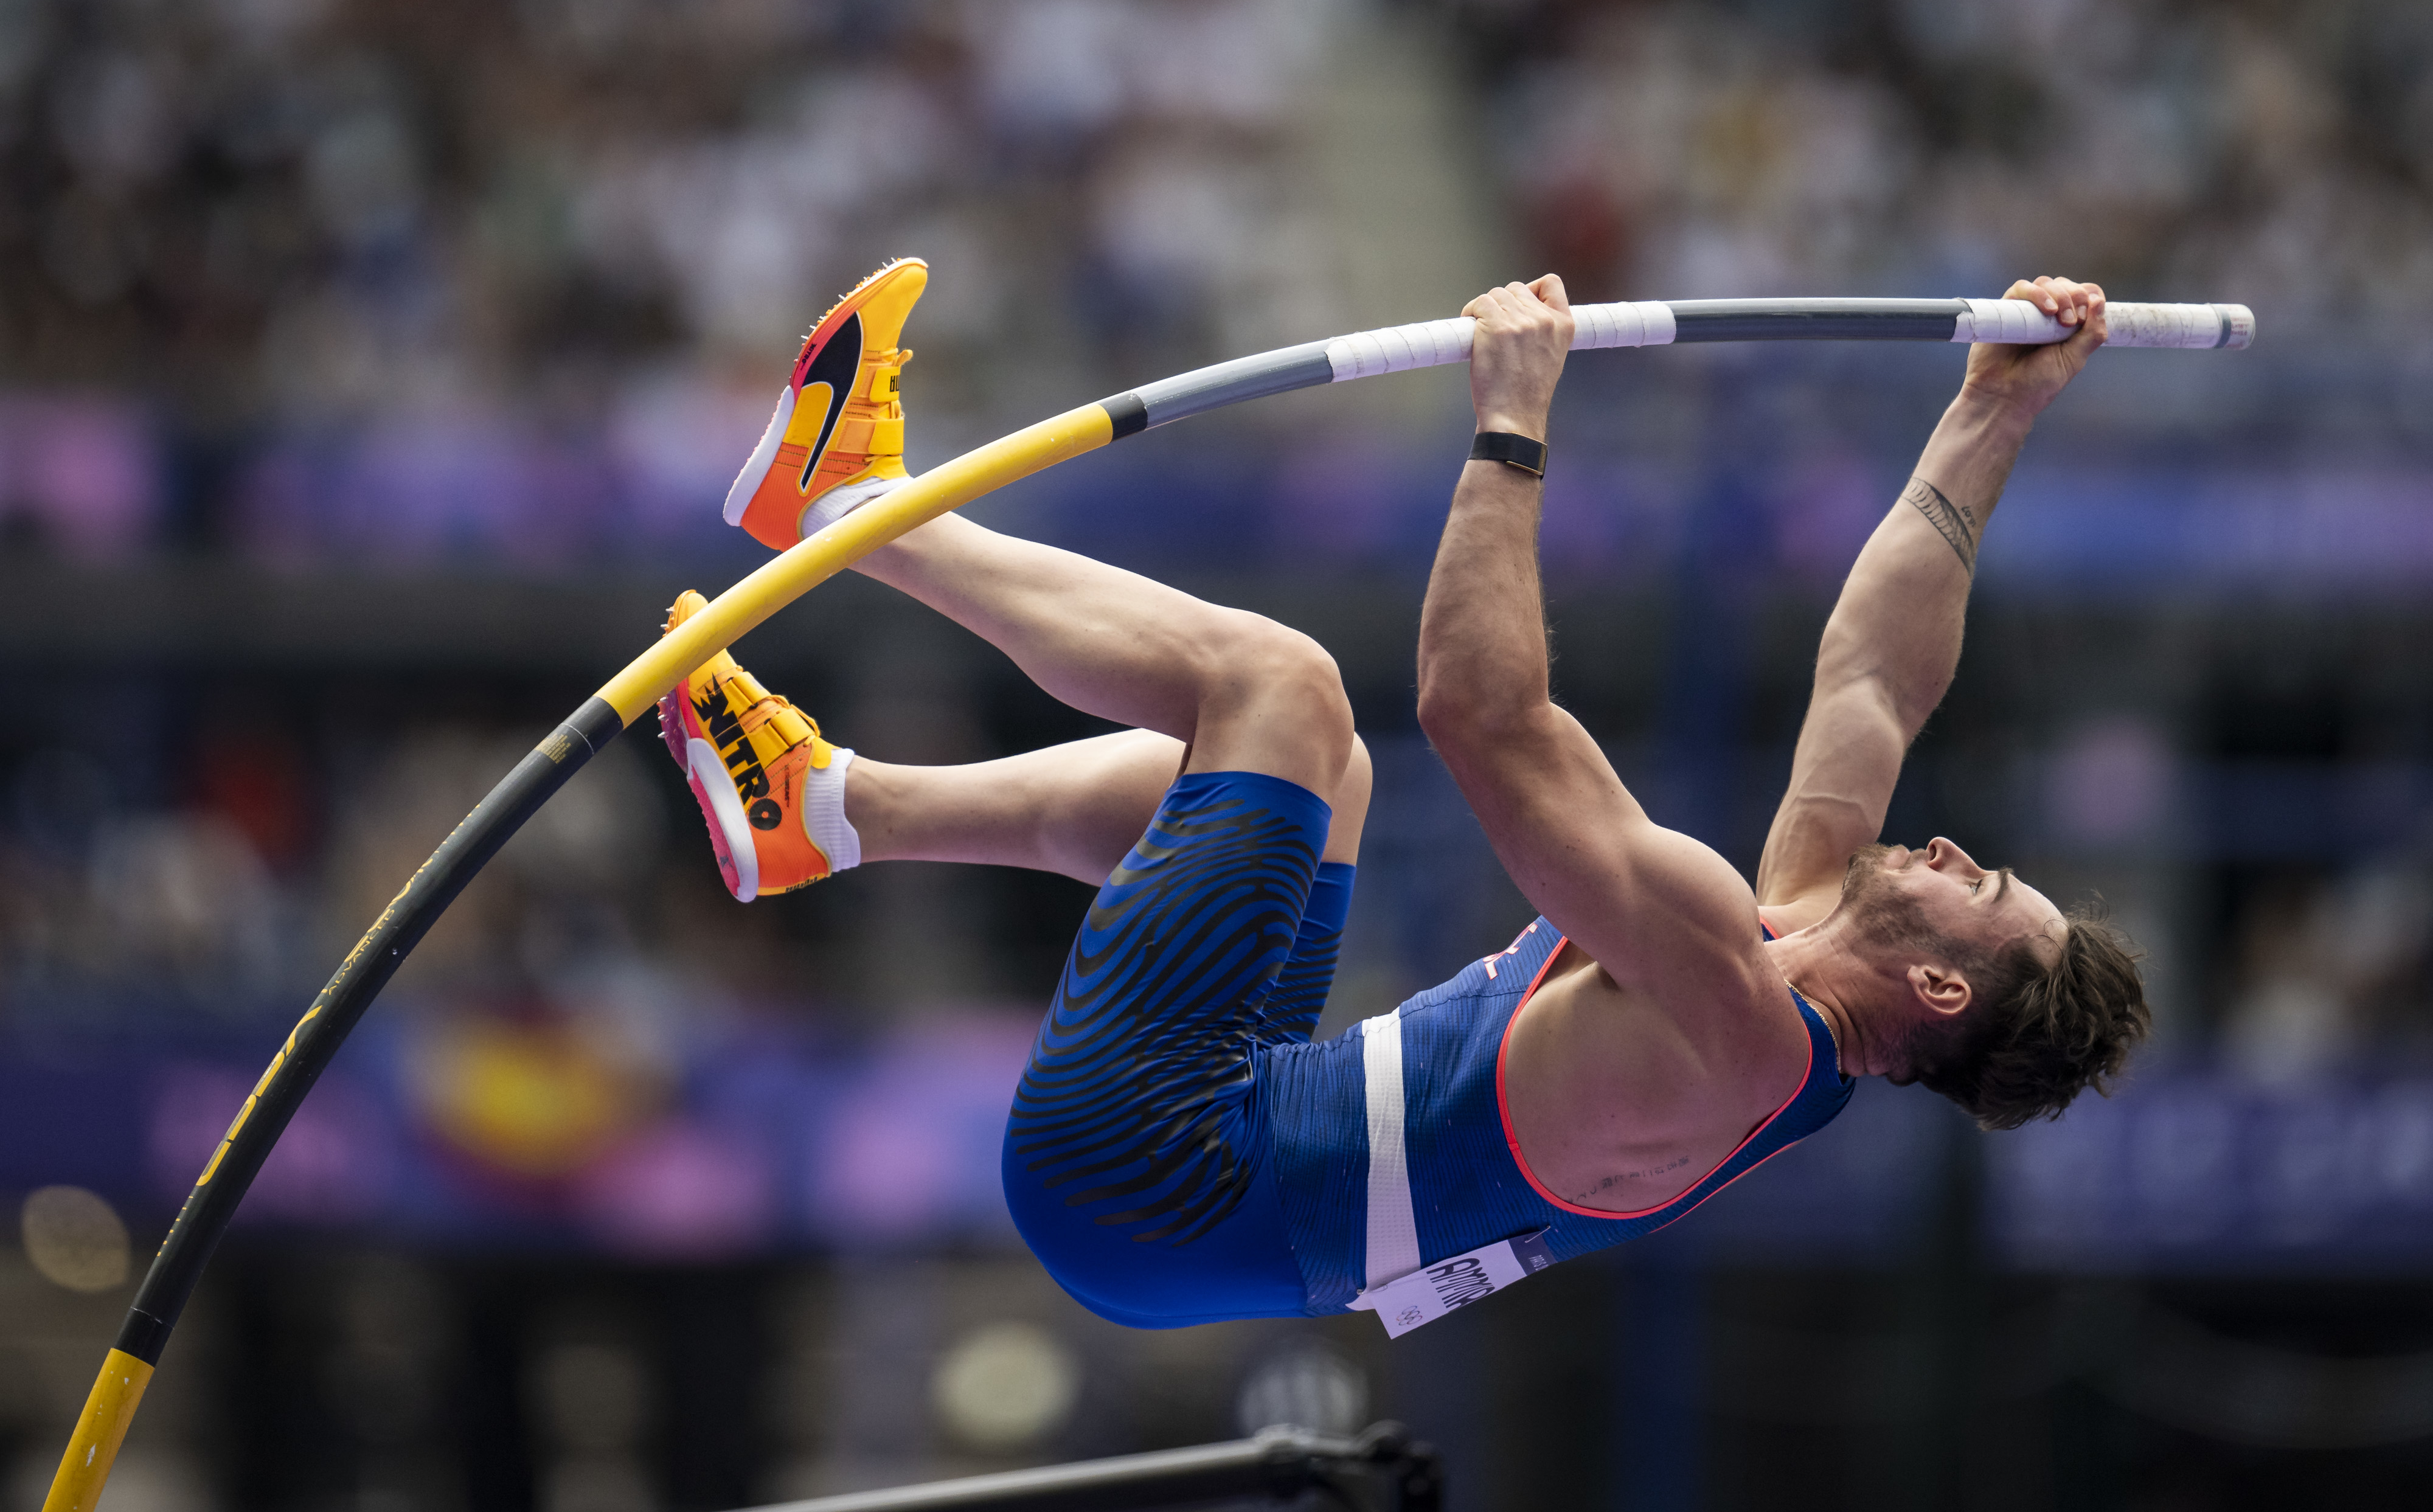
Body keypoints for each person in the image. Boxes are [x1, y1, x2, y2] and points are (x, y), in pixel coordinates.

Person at [657, 257, 2151, 1331]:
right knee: (1319, 783)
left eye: (1981, 883)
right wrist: (1994, 410)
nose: (1953, 846)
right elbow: (1874, 680)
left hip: (1160, 1169)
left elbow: (1481, 714)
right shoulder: (1794, 949)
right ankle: (826, 808)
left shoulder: (1734, 1015)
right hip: (1219, 1169)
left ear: (1941, 989)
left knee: (1285, 693)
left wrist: (1510, 421)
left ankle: (841, 507)